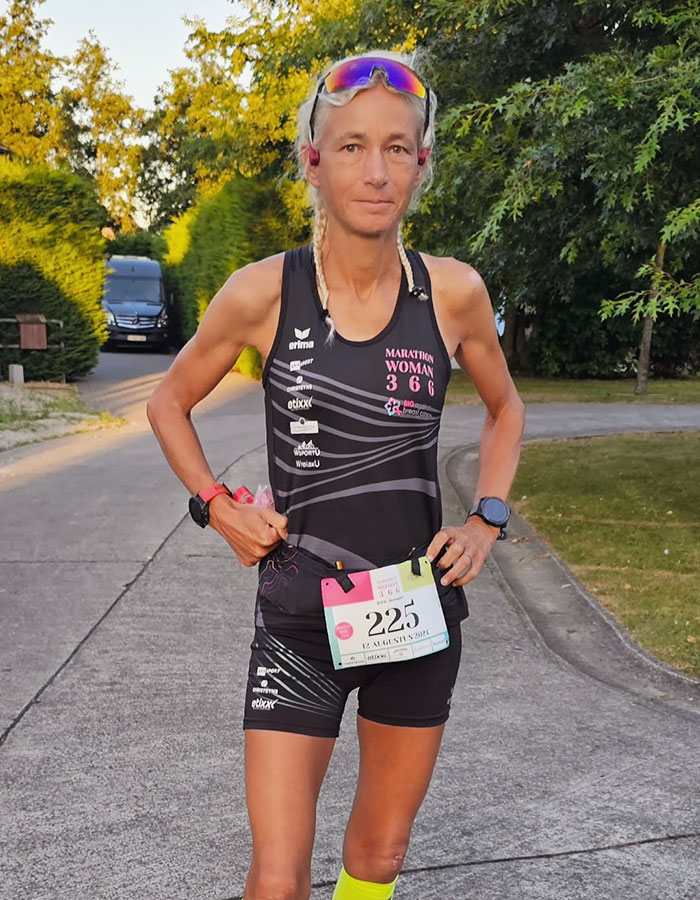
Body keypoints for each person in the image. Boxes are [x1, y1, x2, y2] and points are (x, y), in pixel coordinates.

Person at [147, 49, 525, 900]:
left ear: (422, 163)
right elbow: (168, 402)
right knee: (280, 878)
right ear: (313, 161)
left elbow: (506, 409)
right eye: (352, 146)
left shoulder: (454, 294)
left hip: (415, 613)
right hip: (299, 615)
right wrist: (217, 505)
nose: (376, 171)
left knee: (379, 857)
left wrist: (486, 519)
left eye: (397, 148)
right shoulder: (262, 292)